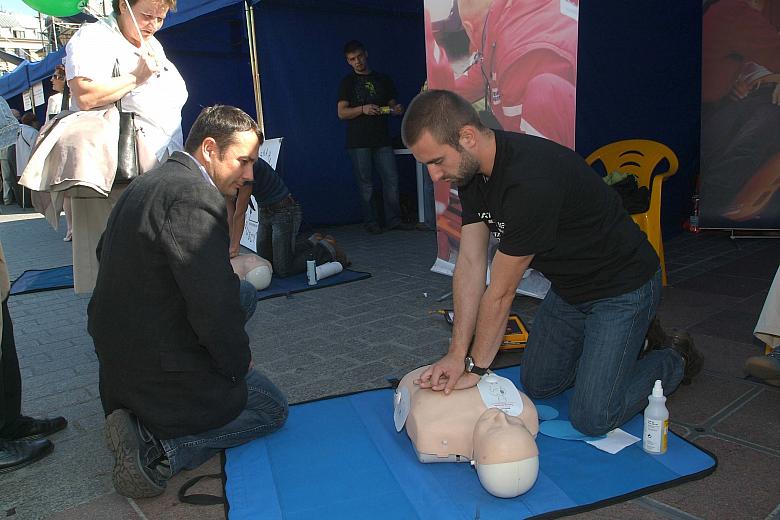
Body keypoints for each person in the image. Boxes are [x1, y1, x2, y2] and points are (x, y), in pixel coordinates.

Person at [401, 90, 702, 437]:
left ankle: (674, 356)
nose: (435, 176)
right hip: (570, 289)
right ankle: (628, 347)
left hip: (623, 289)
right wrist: (456, 353)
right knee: (540, 384)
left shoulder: (529, 180)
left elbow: (500, 293)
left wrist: (475, 368)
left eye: (437, 161)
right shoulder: (470, 173)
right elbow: (469, 263)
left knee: (593, 416)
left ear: (467, 136)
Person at [87, 105, 288, 498]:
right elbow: (210, 304)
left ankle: (141, 413)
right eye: (243, 161)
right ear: (210, 149)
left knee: (243, 294)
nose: (249, 175)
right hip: (156, 369)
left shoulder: (148, 184)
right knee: (271, 408)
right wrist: (235, 365)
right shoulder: (196, 197)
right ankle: (158, 448)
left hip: (119, 358)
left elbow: (103, 256)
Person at [65, 0, 188, 292]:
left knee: (152, 268)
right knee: (116, 272)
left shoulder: (153, 45)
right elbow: (84, 95)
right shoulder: (94, 37)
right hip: (118, 171)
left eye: (161, 18)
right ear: (123, 5)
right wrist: (135, 77)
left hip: (155, 169)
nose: (153, 25)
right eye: (147, 15)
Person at [426, 0, 578, 148]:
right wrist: (437, 96)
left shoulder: (515, 59)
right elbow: (481, 73)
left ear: (469, 28)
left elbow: (519, 144)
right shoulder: (509, 20)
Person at [396, 365, 539, 498]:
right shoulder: (525, 410)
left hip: (421, 377)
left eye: (494, 429)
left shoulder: (432, 424)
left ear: (475, 462)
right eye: (515, 423)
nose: (501, 416)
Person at [700, 0, 780, 223]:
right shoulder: (735, 12)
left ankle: (713, 209)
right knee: (743, 146)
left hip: (741, 99)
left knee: (747, 141)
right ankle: (713, 211)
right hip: (724, 103)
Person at [228, 155, 349, 277]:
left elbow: (240, 213)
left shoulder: (245, 166)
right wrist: (228, 242)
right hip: (265, 211)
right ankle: (311, 242)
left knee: (283, 270)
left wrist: (234, 247)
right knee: (266, 262)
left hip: (285, 210)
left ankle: (326, 248)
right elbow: (230, 212)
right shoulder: (222, 174)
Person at [337, 40, 413, 234]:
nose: (357, 62)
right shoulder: (348, 82)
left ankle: (394, 220)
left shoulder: (383, 79)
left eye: (359, 57)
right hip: (358, 141)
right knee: (366, 184)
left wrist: (397, 109)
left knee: (391, 179)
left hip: (382, 138)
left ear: (366, 54)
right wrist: (363, 109)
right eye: (352, 59)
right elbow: (341, 113)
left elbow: (393, 105)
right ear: (348, 61)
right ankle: (371, 222)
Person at [46, 65, 73, 241]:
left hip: (63, 145)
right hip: (81, 146)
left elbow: (50, 125)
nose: (52, 80)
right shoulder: (79, 98)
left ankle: (71, 228)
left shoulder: (55, 100)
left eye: (55, 76)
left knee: (66, 191)